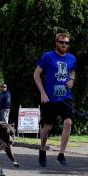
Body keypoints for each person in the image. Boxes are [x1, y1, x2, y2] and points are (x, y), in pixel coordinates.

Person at [34, 32, 76, 167]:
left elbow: (73, 71)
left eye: (66, 42)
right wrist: (42, 93)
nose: (64, 44)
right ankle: (42, 150)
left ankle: (61, 154)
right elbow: (36, 74)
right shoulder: (48, 56)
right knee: (47, 127)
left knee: (68, 122)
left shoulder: (72, 58)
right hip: (49, 98)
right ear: (56, 43)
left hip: (65, 97)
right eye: (61, 42)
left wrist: (72, 80)